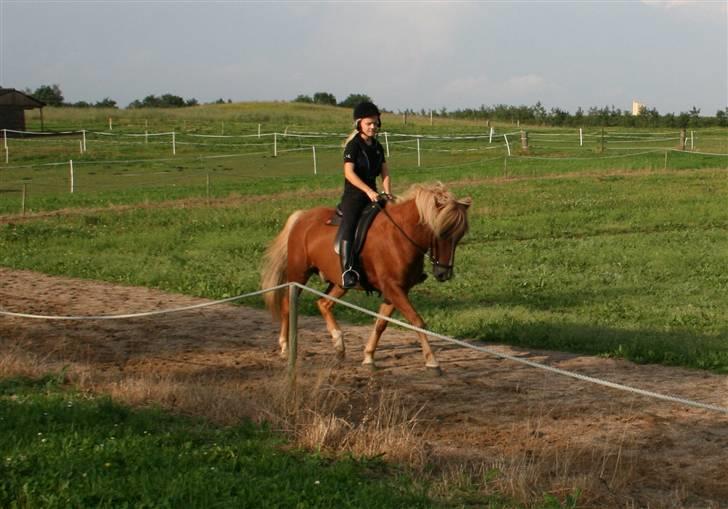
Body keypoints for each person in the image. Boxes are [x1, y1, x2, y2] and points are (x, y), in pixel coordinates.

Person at [338, 101, 391, 289]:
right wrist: (368, 190)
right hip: (355, 196)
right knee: (350, 223)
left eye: (376, 123)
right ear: (359, 123)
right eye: (369, 123)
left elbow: (384, 172)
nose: (373, 127)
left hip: (374, 195)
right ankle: (348, 270)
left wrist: (387, 192)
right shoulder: (353, 146)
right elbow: (349, 173)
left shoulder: (377, 146)